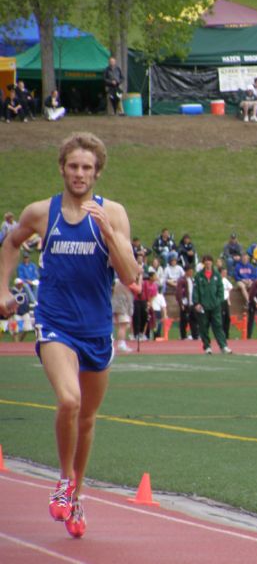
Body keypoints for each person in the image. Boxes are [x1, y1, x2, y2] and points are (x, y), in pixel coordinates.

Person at [0, 132, 138, 538]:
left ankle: (76, 492)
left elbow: (131, 276)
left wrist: (110, 235)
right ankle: (62, 480)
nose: (80, 174)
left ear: (97, 173)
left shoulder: (113, 213)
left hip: (97, 329)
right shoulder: (43, 212)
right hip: (55, 324)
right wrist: (2, 289)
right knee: (69, 400)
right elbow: (11, 242)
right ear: (62, 168)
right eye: (73, 166)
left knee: (88, 418)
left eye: (87, 168)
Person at [193, 255, 232, 354]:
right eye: (205, 261)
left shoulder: (217, 275)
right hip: (203, 306)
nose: (207, 263)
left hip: (215, 306)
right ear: (203, 263)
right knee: (203, 327)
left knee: (218, 326)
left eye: (209, 261)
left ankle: (223, 346)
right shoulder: (198, 276)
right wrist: (196, 303)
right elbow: (195, 291)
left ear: (212, 262)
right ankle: (207, 347)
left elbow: (220, 289)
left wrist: (218, 301)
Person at [175, 264, 198, 340]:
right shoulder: (181, 280)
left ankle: (195, 335)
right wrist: (181, 303)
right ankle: (183, 336)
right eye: (190, 271)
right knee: (184, 320)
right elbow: (179, 292)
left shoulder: (191, 279)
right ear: (186, 271)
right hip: (185, 303)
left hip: (192, 303)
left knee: (194, 319)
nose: (191, 273)